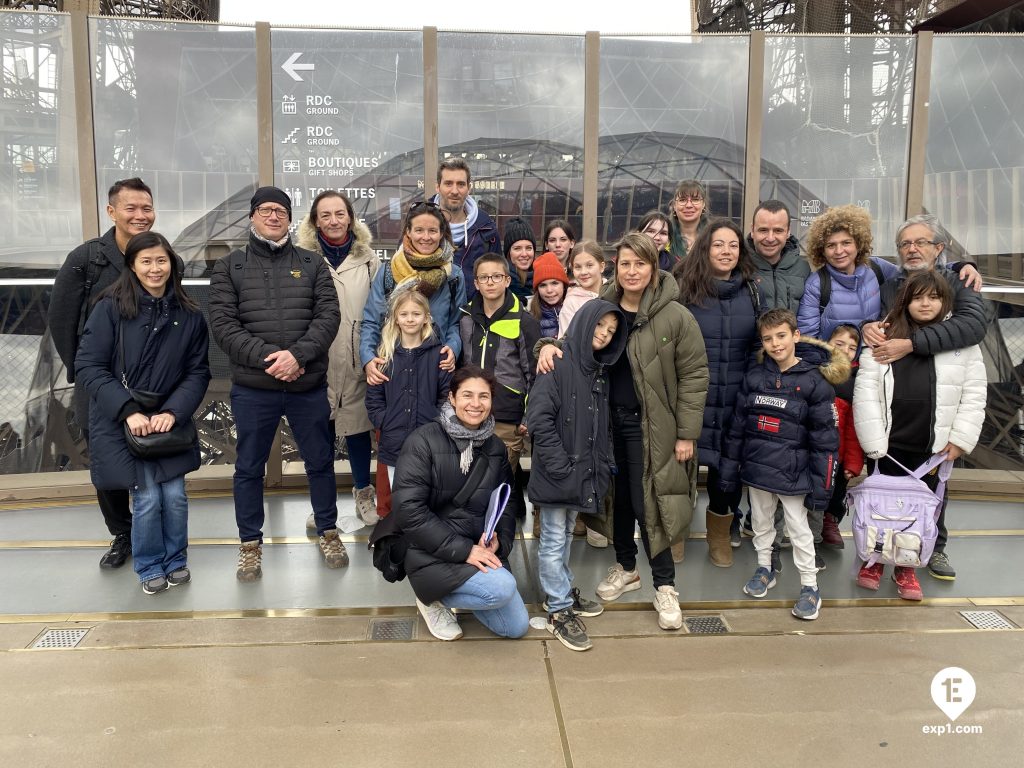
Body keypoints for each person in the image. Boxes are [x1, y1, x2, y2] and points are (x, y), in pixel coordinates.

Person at [537, 233, 709, 631]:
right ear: (615, 265)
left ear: (654, 267)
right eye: (626, 264)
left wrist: (686, 433)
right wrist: (545, 346)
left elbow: (695, 376)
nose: (632, 272)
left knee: (651, 502)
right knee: (618, 502)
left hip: (651, 427)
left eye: (641, 264)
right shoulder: (605, 307)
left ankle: (664, 585)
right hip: (603, 424)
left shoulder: (675, 316)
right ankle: (626, 567)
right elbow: (573, 342)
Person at [209, 186, 343, 581]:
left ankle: (328, 530)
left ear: (290, 217)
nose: (273, 216)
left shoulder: (312, 263)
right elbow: (223, 326)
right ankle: (249, 544)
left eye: (281, 210)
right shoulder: (230, 267)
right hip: (254, 387)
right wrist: (274, 360)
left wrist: (297, 356)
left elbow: (328, 316)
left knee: (319, 462)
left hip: (306, 385)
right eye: (265, 210)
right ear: (252, 216)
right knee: (249, 467)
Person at [74, 232, 210, 595]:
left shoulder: (189, 314)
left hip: (167, 421)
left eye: (161, 260)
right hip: (124, 420)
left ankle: (176, 559)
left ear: (172, 264)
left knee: (176, 496)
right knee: (148, 497)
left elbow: (197, 372)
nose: (155, 269)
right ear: (132, 266)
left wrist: (174, 411)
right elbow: (89, 366)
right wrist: (128, 411)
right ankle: (150, 564)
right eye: (146, 261)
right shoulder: (110, 308)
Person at [861, 213, 986, 582]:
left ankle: (929, 550)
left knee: (931, 488)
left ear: (939, 248)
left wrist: (911, 344)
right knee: (886, 489)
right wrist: (865, 327)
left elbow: (973, 326)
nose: (912, 249)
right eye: (905, 244)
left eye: (921, 242)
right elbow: (880, 326)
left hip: (938, 411)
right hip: (894, 422)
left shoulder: (960, 282)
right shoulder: (891, 282)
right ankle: (876, 552)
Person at [49, 177, 156, 569]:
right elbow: (61, 320)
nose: (140, 216)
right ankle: (122, 533)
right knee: (107, 463)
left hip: (150, 382)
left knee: (153, 456)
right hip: (100, 382)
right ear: (111, 212)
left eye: (146, 208)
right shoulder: (87, 258)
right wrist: (86, 371)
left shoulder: (159, 255)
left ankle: (153, 530)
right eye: (131, 208)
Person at [720, 308, 848, 621]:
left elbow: (825, 441)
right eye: (768, 338)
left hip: (794, 474)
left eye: (781, 336)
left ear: (795, 336)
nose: (776, 344)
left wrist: (823, 488)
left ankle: (809, 586)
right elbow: (737, 429)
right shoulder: (754, 378)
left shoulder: (816, 382)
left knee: (798, 528)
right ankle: (765, 568)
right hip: (757, 470)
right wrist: (728, 470)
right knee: (761, 523)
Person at [393, 366, 527, 641]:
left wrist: (500, 540)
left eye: (484, 396)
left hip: (478, 546)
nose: (476, 404)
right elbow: (409, 510)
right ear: (452, 398)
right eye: (467, 395)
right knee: (502, 588)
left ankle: (462, 590)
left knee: (514, 627)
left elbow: (507, 499)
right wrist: (465, 551)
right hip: (429, 550)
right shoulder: (423, 441)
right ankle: (430, 598)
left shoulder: (495, 447)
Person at [527, 300, 626, 651]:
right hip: (561, 473)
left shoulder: (597, 370)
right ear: (584, 323)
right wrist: (561, 468)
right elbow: (539, 420)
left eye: (611, 332)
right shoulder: (557, 362)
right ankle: (557, 610)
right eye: (600, 327)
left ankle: (562, 592)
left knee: (566, 535)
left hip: (580, 473)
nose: (603, 335)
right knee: (554, 540)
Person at [674, 218, 764, 567]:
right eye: (718, 245)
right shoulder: (684, 288)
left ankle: (719, 535)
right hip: (693, 398)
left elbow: (759, 342)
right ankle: (677, 533)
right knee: (681, 474)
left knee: (727, 474)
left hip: (736, 399)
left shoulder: (752, 291)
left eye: (733, 245)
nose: (726, 252)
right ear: (704, 249)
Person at [297, 190, 381, 527]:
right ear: (315, 221)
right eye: (325, 215)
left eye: (340, 214)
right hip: (316, 358)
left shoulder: (370, 260)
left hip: (357, 356)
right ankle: (323, 503)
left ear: (350, 217)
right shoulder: (301, 258)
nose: (333, 221)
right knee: (321, 431)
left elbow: (378, 310)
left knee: (358, 428)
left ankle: (363, 493)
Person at [458, 252, 540, 521]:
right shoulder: (467, 319)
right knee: (471, 484)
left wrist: (528, 416)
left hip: (507, 417)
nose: (490, 282)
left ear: (507, 280)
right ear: (477, 283)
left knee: (498, 483)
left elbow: (534, 374)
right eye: (484, 277)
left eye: (496, 276)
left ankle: (497, 543)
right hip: (470, 415)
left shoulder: (523, 322)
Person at [365, 286, 452, 511]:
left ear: (426, 318)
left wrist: (437, 423)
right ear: (395, 318)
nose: (410, 319)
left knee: (427, 499)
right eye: (404, 314)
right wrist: (384, 420)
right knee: (399, 499)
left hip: (430, 441)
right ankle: (401, 543)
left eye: (416, 314)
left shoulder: (439, 354)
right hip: (394, 440)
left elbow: (446, 395)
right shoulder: (384, 356)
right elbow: (374, 397)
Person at [360, 201, 465, 388]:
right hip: (393, 366)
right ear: (408, 232)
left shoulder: (453, 275)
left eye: (432, 231)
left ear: (441, 233)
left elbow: (457, 322)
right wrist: (368, 358)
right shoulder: (389, 271)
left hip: (436, 368)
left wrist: (453, 348)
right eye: (419, 230)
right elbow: (372, 321)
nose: (426, 237)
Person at [797, 204, 901, 341]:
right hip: (835, 359)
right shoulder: (817, 284)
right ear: (821, 250)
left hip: (874, 357)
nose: (839, 251)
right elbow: (807, 339)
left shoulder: (877, 268)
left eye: (846, 243)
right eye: (831, 245)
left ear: (858, 243)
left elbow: (909, 282)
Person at [820, 324, 864, 552]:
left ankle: (831, 521)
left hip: (842, 451)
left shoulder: (859, 380)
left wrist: (854, 462)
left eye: (852, 347)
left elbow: (856, 428)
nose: (845, 351)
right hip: (817, 448)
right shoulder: (816, 371)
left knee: (837, 490)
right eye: (839, 344)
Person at [430, 157, 500, 294]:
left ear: (469, 188)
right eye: (448, 184)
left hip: (473, 313)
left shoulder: (487, 230)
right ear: (438, 187)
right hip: (430, 313)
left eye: (461, 184)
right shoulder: (418, 225)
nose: (455, 191)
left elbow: (498, 278)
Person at [746, 200, 808, 314]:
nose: (770, 238)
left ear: (788, 232)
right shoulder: (738, 266)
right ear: (752, 230)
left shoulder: (803, 269)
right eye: (763, 230)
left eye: (778, 231)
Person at [558, 240, 606, 339]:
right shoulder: (571, 302)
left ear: (601, 266)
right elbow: (565, 341)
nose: (583, 272)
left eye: (589, 265)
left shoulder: (615, 291)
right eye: (578, 267)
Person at [529, 251, 570, 339]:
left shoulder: (577, 306)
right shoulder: (530, 317)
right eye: (543, 285)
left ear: (564, 285)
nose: (549, 290)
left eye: (554, 283)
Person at [667, 180, 709, 261]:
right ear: (674, 206)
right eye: (682, 200)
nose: (689, 205)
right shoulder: (664, 237)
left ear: (703, 204)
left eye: (695, 199)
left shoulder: (714, 237)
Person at [504, 217, 537, 303]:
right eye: (517, 248)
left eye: (529, 248)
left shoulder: (543, 276)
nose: (524, 254)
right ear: (509, 253)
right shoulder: (502, 283)